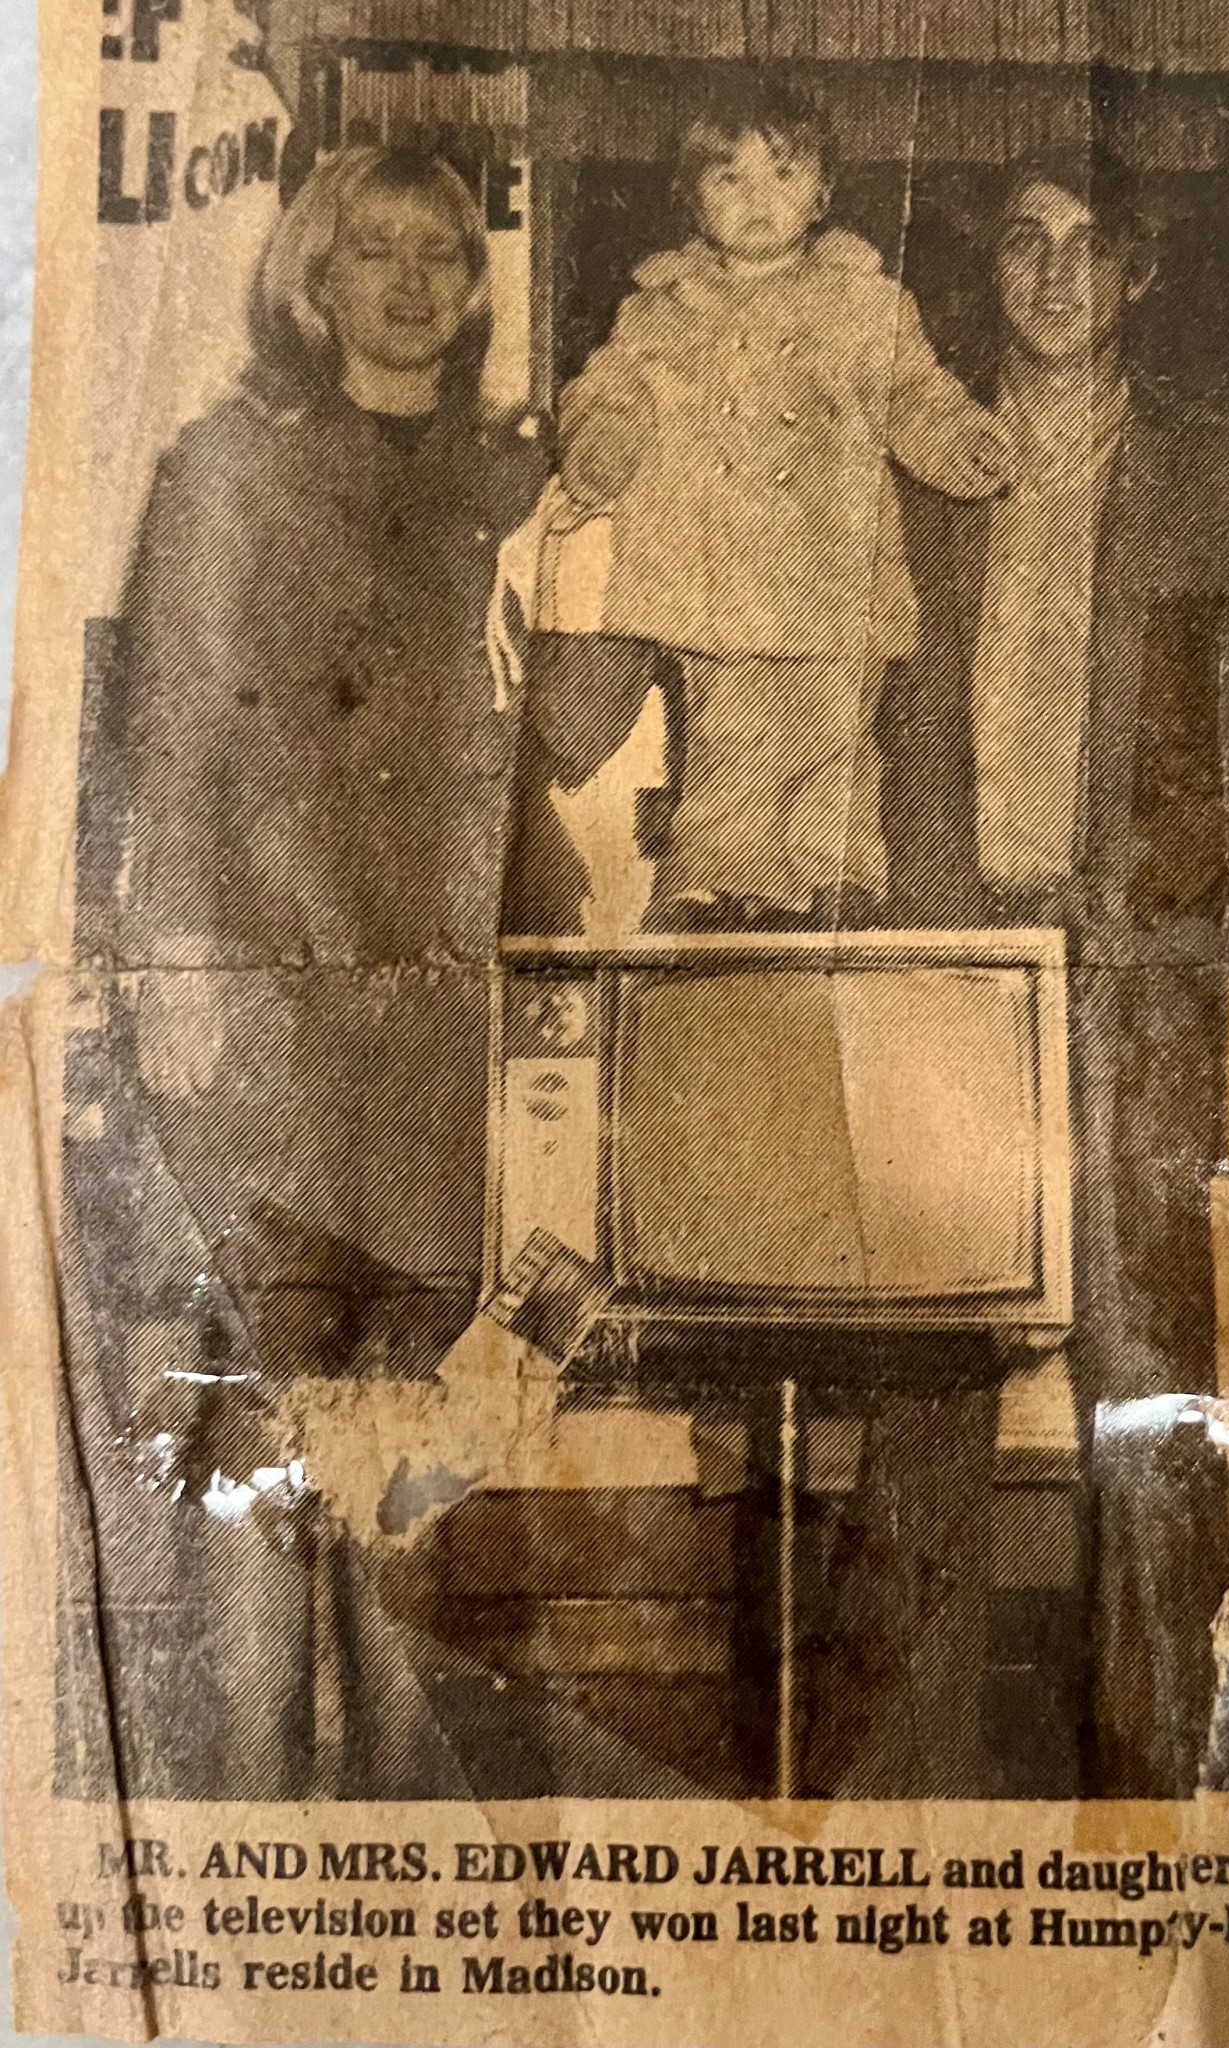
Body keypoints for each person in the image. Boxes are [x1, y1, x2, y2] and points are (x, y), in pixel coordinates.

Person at [817, 151, 1229, 1799]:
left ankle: (1146, 1803)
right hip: (953, 978)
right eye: (1025, 243)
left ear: (1138, 273)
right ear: (989, 271)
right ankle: (899, 1810)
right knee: (926, 1382)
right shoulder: (922, 477)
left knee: (1144, 1387)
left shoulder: (1217, 484)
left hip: (1129, 985)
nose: (1052, 274)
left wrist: (1144, 894)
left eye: (1088, 246)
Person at [102, 145, 550, 1797]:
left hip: (435, 1025)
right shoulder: (226, 467)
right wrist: (182, 954)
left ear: (477, 285)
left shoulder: (508, 481)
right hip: (267, 1008)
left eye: (443, 250)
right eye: (376, 248)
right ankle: (249, 1834)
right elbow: (167, 730)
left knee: (411, 1414)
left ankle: (401, 1843)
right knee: (264, 1402)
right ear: (314, 274)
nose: (412, 280)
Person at [524, 76, 1014, 933]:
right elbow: (605, 392)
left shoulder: (867, 304)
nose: (758, 199)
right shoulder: (657, 312)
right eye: (730, 178)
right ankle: (717, 884)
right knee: (730, 737)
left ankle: (835, 882)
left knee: (834, 736)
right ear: (691, 198)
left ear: (823, 192)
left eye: (783, 175)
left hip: (832, 570)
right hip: (719, 574)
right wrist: (600, 444)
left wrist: (956, 440)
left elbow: (913, 394)